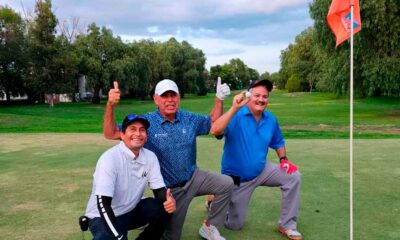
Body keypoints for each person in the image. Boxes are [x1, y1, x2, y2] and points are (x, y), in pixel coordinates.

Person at [104, 79, 234, 240]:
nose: (170, 100)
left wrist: (219, 99)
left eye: (173, 95)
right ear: (156, 99)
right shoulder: (147, 123)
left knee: (227, 183)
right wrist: (110, 105)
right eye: (165, 96)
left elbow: (213, 122)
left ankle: (209, 227)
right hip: (172, 191)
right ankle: (152, 218)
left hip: (194, 177)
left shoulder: (188, 118)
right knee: (171, 237)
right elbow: (111, 133)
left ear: (179, 97)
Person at [210, 79, 303, 240]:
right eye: (257, 95)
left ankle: (287, 224)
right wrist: (231, 106)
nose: (261, 99)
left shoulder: (270, 119)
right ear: (248, 95)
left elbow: (278, 142)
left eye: (265, 96)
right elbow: (215, 130)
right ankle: (214, 199)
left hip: (262, 171)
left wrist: (284, 159)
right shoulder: (236, 115)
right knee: (234, 225)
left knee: (293, 176)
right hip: (238, 179)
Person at [84, 114, 176, 240]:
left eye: (142, 130)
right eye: (132, 129)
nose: (138, 134)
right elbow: (103, 204)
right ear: (122, 134)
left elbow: (159, 190)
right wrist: (118, 236)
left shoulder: (150, 157)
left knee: (164, 208)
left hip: (131, 210)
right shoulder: (109, 159)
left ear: (146, 136)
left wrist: (168, 200)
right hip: (101, 217)